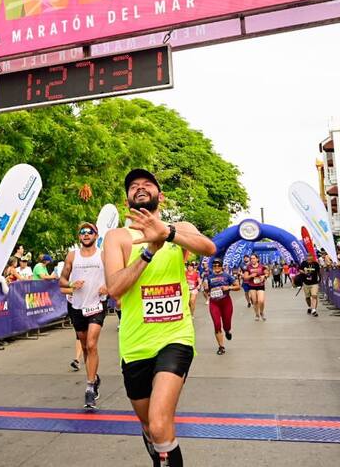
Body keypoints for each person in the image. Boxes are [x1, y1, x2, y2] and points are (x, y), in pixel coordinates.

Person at [103, 169, 216, 467]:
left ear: (160, 196)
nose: (140, 188)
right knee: (150, 429)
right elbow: (115, 288)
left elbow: (209, 247)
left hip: (175, 338)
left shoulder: (179, 227)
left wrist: (167, 234)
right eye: (133, 186)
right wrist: (149, 251)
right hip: (134, 345)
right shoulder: (117, 237)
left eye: (147, 184)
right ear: (127, 198)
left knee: (159, 423)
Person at [59, 222, 108, 408]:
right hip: (77, 306)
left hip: (96, 304)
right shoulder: (72, 255)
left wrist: (108, 288)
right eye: (82, 232)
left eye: (90, 232)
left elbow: (115, 276)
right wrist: (71, 285)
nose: (86, 235)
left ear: (96, 235)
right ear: (79, 236)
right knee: (85, 347)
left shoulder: (103, 255)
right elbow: (62, 281)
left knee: (91, 344)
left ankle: (89, 389)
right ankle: (94, 378)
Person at [203, 260, 239, 355]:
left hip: (226, 302)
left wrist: (229, 288)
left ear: (221, 266)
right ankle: (221, 346)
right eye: (214, 265)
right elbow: (206, 290)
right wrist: (206, 290)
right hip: (214, 303)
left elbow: (238, 286)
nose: (216, 267)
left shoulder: (227, 276)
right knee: (217, 324)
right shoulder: (209, 277)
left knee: (226, 324)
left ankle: (227, 331)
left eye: (218, 265)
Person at [244, 254, 268, 321]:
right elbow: (245, 277)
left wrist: (264, 276)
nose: (252, 260)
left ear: (257, 259)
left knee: (261, 300)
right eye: (251, 258)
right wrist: (251, 276)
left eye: (254, 258)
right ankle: (257, 314)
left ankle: (261, 312)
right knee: (255, 301)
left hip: (260, 285)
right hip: (252, 286)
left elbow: (267, 273)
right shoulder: (248, 267)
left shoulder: (262, 266)